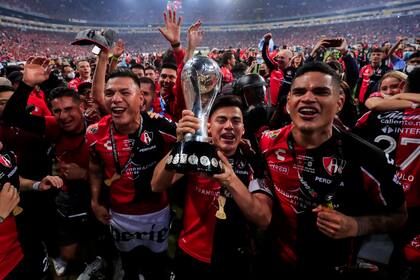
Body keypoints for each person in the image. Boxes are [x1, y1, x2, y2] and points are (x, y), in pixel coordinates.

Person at [259, 62, 407, 279]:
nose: (308, 98)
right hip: (277, 263)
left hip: (335, 268)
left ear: (339, 102)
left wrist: (356, 225)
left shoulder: (367, 157)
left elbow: (399, 216)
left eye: (320, 92)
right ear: (289, 102)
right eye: (299, 91)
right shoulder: (266, 142)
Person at [151, 95, 273, 280]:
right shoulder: (195, 153)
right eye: (221, 120)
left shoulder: (253, 162)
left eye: (236, 121)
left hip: (235, 259)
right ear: (209, 126)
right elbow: (156, 185)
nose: (229, 126)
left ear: (243, 129)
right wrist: (181, 145)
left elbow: (263, 219)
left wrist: (231, 181)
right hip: (190, 254)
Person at [86, 70, 177, 280]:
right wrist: (95, 201)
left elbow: (190, 147)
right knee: (129, 263)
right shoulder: (93, 133)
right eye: (109, 93)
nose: (116, 99)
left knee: (158, 263)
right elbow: (95, 168)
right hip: (119, 214)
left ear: (140, 98)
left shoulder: (162, 127)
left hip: (157, 212)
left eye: (125, 92)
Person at [355, 67, 420, 280]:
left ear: (405, 86)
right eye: (385, 88)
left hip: (390, 197)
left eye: (396, 87)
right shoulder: (373, 111)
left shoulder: (370, 117)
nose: (390, 91)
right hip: (389, 198)